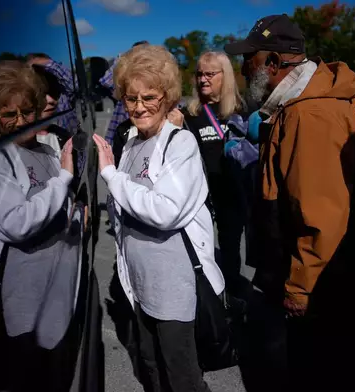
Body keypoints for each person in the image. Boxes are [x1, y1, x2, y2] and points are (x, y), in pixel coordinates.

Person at [225, 14, 355, 392]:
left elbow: (321, 213)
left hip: (321, 279)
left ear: (273, 63)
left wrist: (300, 288)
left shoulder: (311, 113)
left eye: (249, 58)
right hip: (320, 272)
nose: (242, 67)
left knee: (320, 371)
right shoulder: (296, 104)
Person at [92, 44, 223, 392]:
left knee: (182, 375)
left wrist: (111, 176)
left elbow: (165, 211)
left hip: (173, 287)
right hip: (139, 282)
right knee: (150, 365)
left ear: (167, 97)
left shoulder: (180, 144)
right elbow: (122, 213)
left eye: (149, 97)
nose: (139, 107)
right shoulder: (132, 142)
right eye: (130, 98)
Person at [0, 60, 82, 392]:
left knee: (56, 377)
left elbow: (60, 207)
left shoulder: (48, 152)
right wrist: (63, 179)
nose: (21, 122)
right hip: (21, 298)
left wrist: (76, 216)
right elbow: (17, 224)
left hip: (56, 291)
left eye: (29, 111)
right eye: (10, 115)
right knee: (28, 376)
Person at [179, 51, 255, 299]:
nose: (203, 79)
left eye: (210, 74)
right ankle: (203, 295)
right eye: (199, 74)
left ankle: (232, 293)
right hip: (201, 194)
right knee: (198, 246)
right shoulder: (189, 114)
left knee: (231, 247)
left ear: (226, 76)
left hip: (233, 192)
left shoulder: (243, 110)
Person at [99, 40, 149, 145]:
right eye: (135, 54)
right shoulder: (123, 83)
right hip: (123, 135)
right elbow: (105, 81)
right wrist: (123, 60)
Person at [26, 53, 80, 134]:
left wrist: (41, 62)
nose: (50, 100)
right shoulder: (25, 98)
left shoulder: (63, 93)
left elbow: (75, 83)